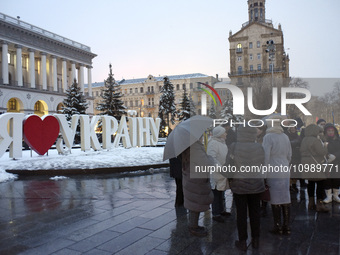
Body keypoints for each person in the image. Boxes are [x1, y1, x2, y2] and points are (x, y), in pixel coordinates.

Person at [224, 124, 265, 251]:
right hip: (256, 184)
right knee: (255, 213)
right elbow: (263, 164)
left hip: (239, 184)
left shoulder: (234, 146)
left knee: (241, 214)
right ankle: (256, 240)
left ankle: (242, 241)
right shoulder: (259, 147)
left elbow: (229, 166)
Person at [262, 115, 292, 235]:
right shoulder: (285, 136)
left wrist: (264, 173)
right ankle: (287, 226)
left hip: (273, 169)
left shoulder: (268, 137)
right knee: (285, 196)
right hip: (284, 168)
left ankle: (277, 226)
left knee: (275, 197)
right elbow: (290, 155)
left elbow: (265, 156)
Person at [181, 140, 214, 237]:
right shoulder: (195, 147)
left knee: (193, 203)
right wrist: (210, 158)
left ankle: (193, 225)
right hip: (196, 180)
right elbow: (206, 163)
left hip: (191, 178)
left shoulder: (187, 145)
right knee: (195, 205)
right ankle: (193, 227)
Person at [300, 124, 329, 212]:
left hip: (306, 164)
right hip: (316, 164)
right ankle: (319, 204)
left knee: (310, 182)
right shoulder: (315, 140)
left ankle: (311, 203)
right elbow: (321, 152)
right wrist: (325, 146)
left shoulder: (304, 140)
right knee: (320, 183)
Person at [207, 126, 229, 223]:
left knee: (221, 192)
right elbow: (212, 158)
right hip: (217, 173)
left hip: (222, 172)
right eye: (224, 132)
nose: (226, 134)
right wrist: (220, 168)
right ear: (220, 134)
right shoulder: (213, 143)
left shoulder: (222, 143)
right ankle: (216, 213)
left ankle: (222, 210)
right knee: (216, 194)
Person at [322, 123, 340, 203]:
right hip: (327, 162)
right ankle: (328, 196)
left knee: (336, 179)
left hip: (337, 162)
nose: (330, 132)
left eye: (332, 130)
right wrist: (327, 155)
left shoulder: (338, 140)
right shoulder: (323, 140)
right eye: (329, 131)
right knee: (327, 179)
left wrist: (335, 155)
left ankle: (336, 195)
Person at [256, 124, 269, 217]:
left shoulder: (264, 139)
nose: (256, 131)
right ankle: (261, 205)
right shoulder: (257, 138)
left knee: (264, 186)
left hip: (263, 165)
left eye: (257, 129)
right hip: (257, 165)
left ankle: (264, 206)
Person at [285, 126, 302, 192]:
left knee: (296, 172)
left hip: (297, 156)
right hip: (291, 156)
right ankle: (290, 185)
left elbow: (300, 141)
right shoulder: (287, 135)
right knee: (290, 172)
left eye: (294, 128)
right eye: (291, 128)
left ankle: (294, 184)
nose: (292, 129)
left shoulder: (298, 135)